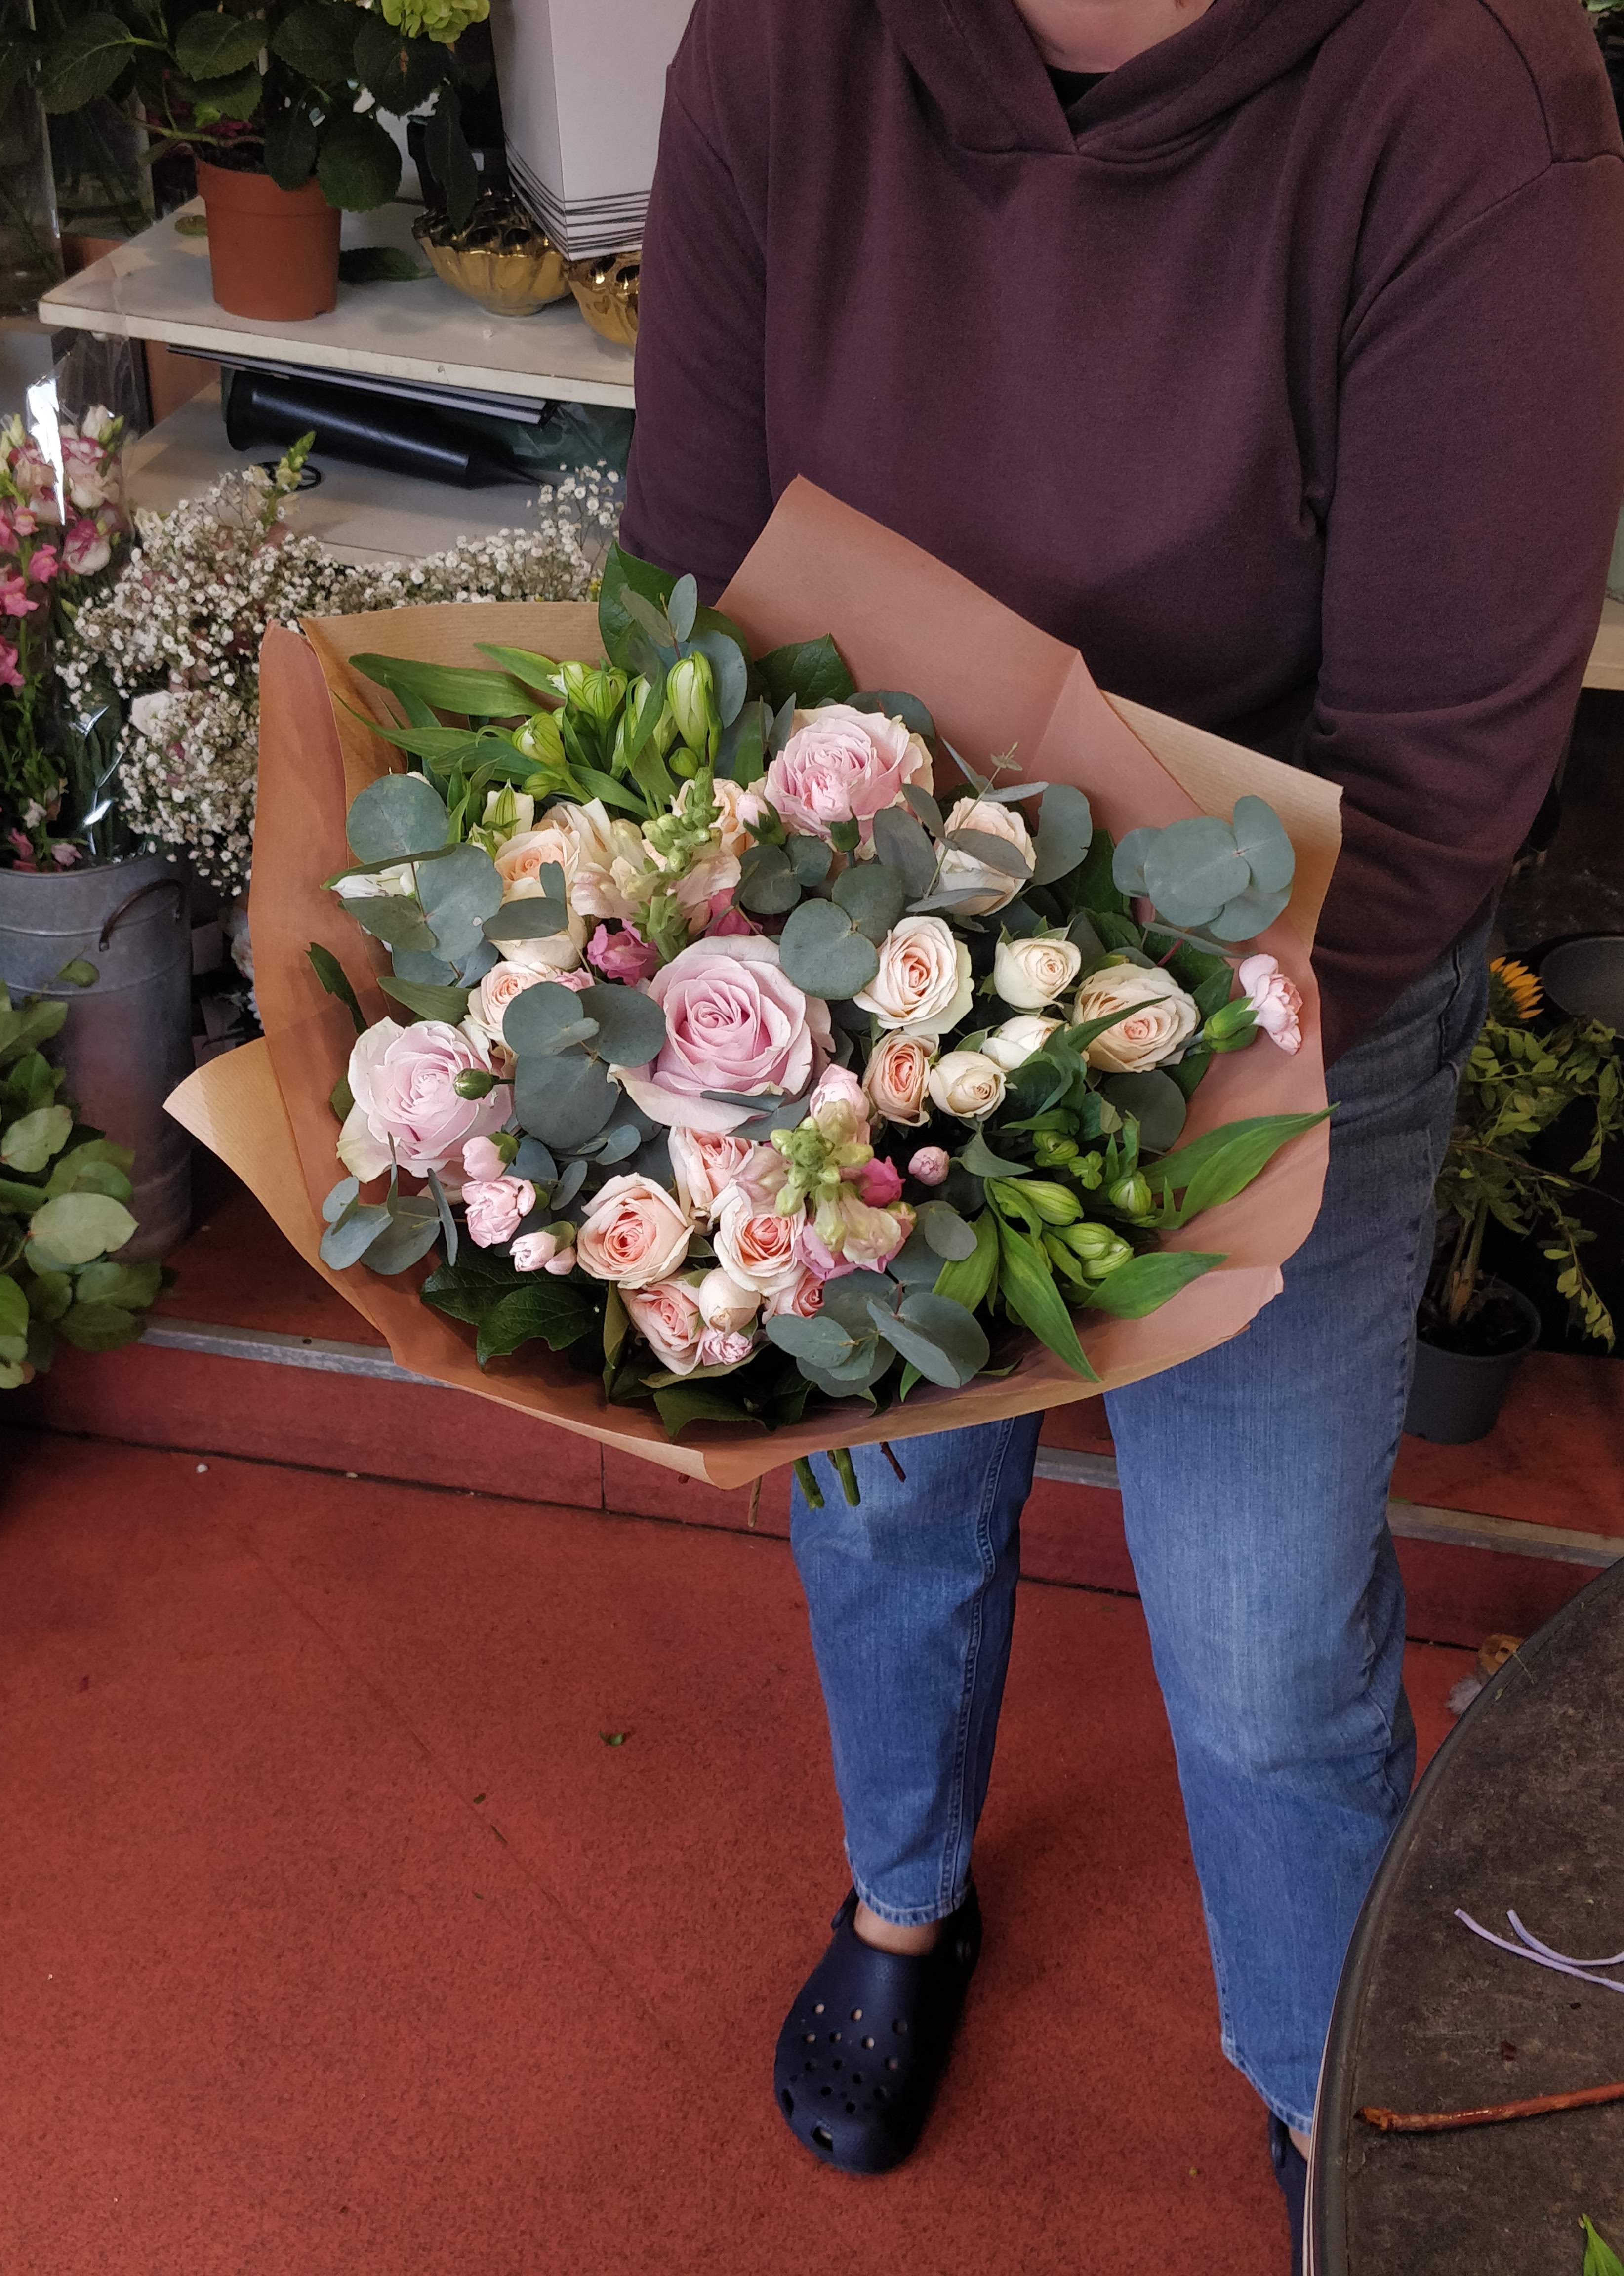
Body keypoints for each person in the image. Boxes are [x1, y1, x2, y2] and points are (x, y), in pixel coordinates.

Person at [619, 0, 1624, 2260]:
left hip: (1291, 968)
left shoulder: (1457, 95)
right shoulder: (783, 46)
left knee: (1264, 1629)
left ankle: (1322, 2079)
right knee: (874, 1505)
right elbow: (683, 576)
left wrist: (1072, 1067)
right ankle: (905, 1899)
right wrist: (783, 1001)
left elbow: (1449, 751)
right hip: (844, 951)